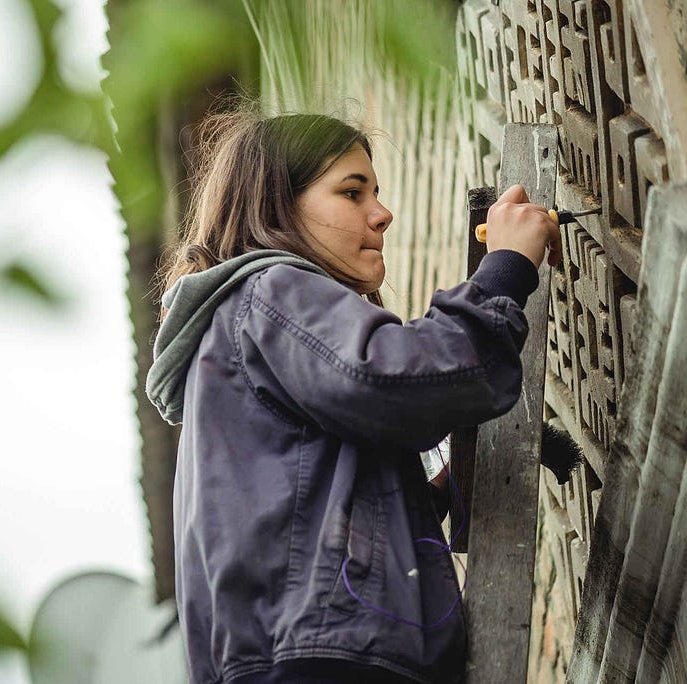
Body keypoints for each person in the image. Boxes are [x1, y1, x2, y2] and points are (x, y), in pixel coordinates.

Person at [144, 110, 561, 684]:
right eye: (351, 192)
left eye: (377, 192)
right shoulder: (269, 291)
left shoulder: (233, 352)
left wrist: (439, 488)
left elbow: (315, 520)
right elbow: (395, 378)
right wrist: (507, 268)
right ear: (277, 207)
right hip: (326, 660)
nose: (382, 214)